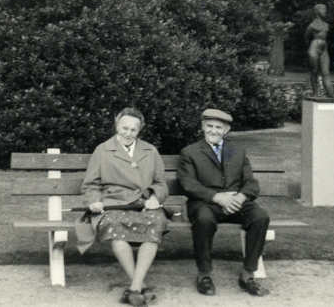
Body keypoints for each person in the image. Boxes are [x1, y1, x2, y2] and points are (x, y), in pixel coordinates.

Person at [78, 108, 167, 307]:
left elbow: (161, 183)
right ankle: (141, 287)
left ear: (139, 131)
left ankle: (134, 289)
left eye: (133, 130)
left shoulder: (150, 150)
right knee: (115, 228)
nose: (128, 133)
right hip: (112, 205)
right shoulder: (103, 149)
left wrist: (154, 197)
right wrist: (94, 200)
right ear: (117, 126)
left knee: (156, 222)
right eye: (124, 128)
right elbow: (91, 185)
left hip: (142, 205)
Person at [177, 108, 270, 297]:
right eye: (209, 126)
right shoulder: (190, 152)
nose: (213, 131)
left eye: (218, 127)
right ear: (203, 127)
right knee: (203, 220)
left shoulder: (237, 151)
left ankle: (248, 275)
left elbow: (250, 182)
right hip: (205, 203)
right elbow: (188, 184)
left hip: (236, 202)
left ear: (226, 130)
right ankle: (204, 275)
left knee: (260, 217)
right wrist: (217, 197)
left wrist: (240, 198)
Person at [305, 3, 334, 98]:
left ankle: (330, 93)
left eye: (325, 9)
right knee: (314, 71)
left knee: (325, 71)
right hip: (314, 48)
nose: (325, 11)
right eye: (323, 9)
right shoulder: (312, 25)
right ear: (317, 11)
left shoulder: (326, 25)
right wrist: (310, 50)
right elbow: (306, 38)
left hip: (324, 49)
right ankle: (315, 92)